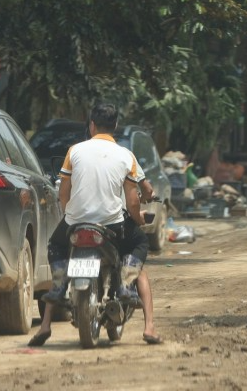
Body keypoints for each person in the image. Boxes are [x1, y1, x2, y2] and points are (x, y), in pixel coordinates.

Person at [28, 102, 153, 347]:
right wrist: (137, 219)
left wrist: (71, 215)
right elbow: (132, 202)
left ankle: (50, 311)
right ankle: (130, 290)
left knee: (56, 246)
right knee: (139, 241)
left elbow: (64, 192)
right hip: (112, 226)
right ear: (115, 126)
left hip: (77, 223)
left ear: (92, 125)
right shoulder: (126, 156)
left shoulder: (74, 151)